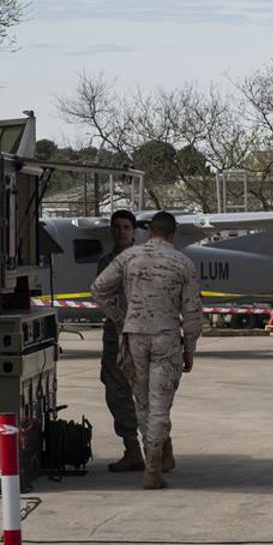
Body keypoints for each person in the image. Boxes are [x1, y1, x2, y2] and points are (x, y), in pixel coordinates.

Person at [93, 210, 203, 490]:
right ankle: (154, 465)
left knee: (142, 403)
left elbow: (98, 289)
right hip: (166, 338)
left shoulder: (129, 257)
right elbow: (192, 312)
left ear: (150, 231)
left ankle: (151, 458)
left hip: (134, 339)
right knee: (159, 404)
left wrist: (121, 319)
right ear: (172, 234)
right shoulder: (183, 262)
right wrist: (190, 348)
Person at [93, 209, 144, 472]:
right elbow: (102, 295)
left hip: (142, 333)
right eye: (116, 227)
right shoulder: (106, 262)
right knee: (116, 390)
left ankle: (160, 449)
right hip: (116, 334)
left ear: (134, 231)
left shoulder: (145, 260)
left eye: (126, 227)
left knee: (149, 392)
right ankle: (132, 448)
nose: (121, 232)